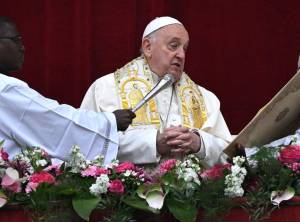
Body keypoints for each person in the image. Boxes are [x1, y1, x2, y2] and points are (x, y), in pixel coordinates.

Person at [81, 16, 232, 168]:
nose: (181, 55)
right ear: (147, 47)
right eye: (174, 46)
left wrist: (199, 143)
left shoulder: (206, 98)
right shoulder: (106, 88)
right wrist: (153, 143)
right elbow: (86, 145)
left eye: (184, 48)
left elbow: (230, 154)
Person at [0, 16, 136, 164]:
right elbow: (54, 122)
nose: (22, 47)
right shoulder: (5, 89)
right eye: (15, 40)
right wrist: (110, 121)